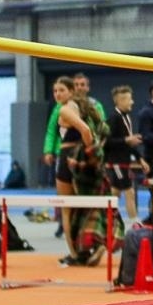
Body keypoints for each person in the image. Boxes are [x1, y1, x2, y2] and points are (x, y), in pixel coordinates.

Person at [51, 76, 105, 265]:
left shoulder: (66, 109)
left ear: (71, 91)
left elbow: (86, 131)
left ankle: (75, 254)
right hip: (81, 160)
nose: (57, 94)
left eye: (61, 90)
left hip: (69, 159)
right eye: (55, 91)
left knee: (66, 209)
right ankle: (90, 246)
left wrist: (92, 153)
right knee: (84, 206)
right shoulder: (84, 107)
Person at [102, 85, 143, 224]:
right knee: (127, 192)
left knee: (116, 193)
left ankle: (107, 220)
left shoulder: (126, 117)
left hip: (124, 162)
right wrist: (126, 140)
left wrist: (140, 159)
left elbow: (128, 142)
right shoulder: (114, 118)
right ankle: (134, 223)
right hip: (116, 163)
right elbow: (107, 142)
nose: (132, 102)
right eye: (129, 99)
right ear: (120, 101)